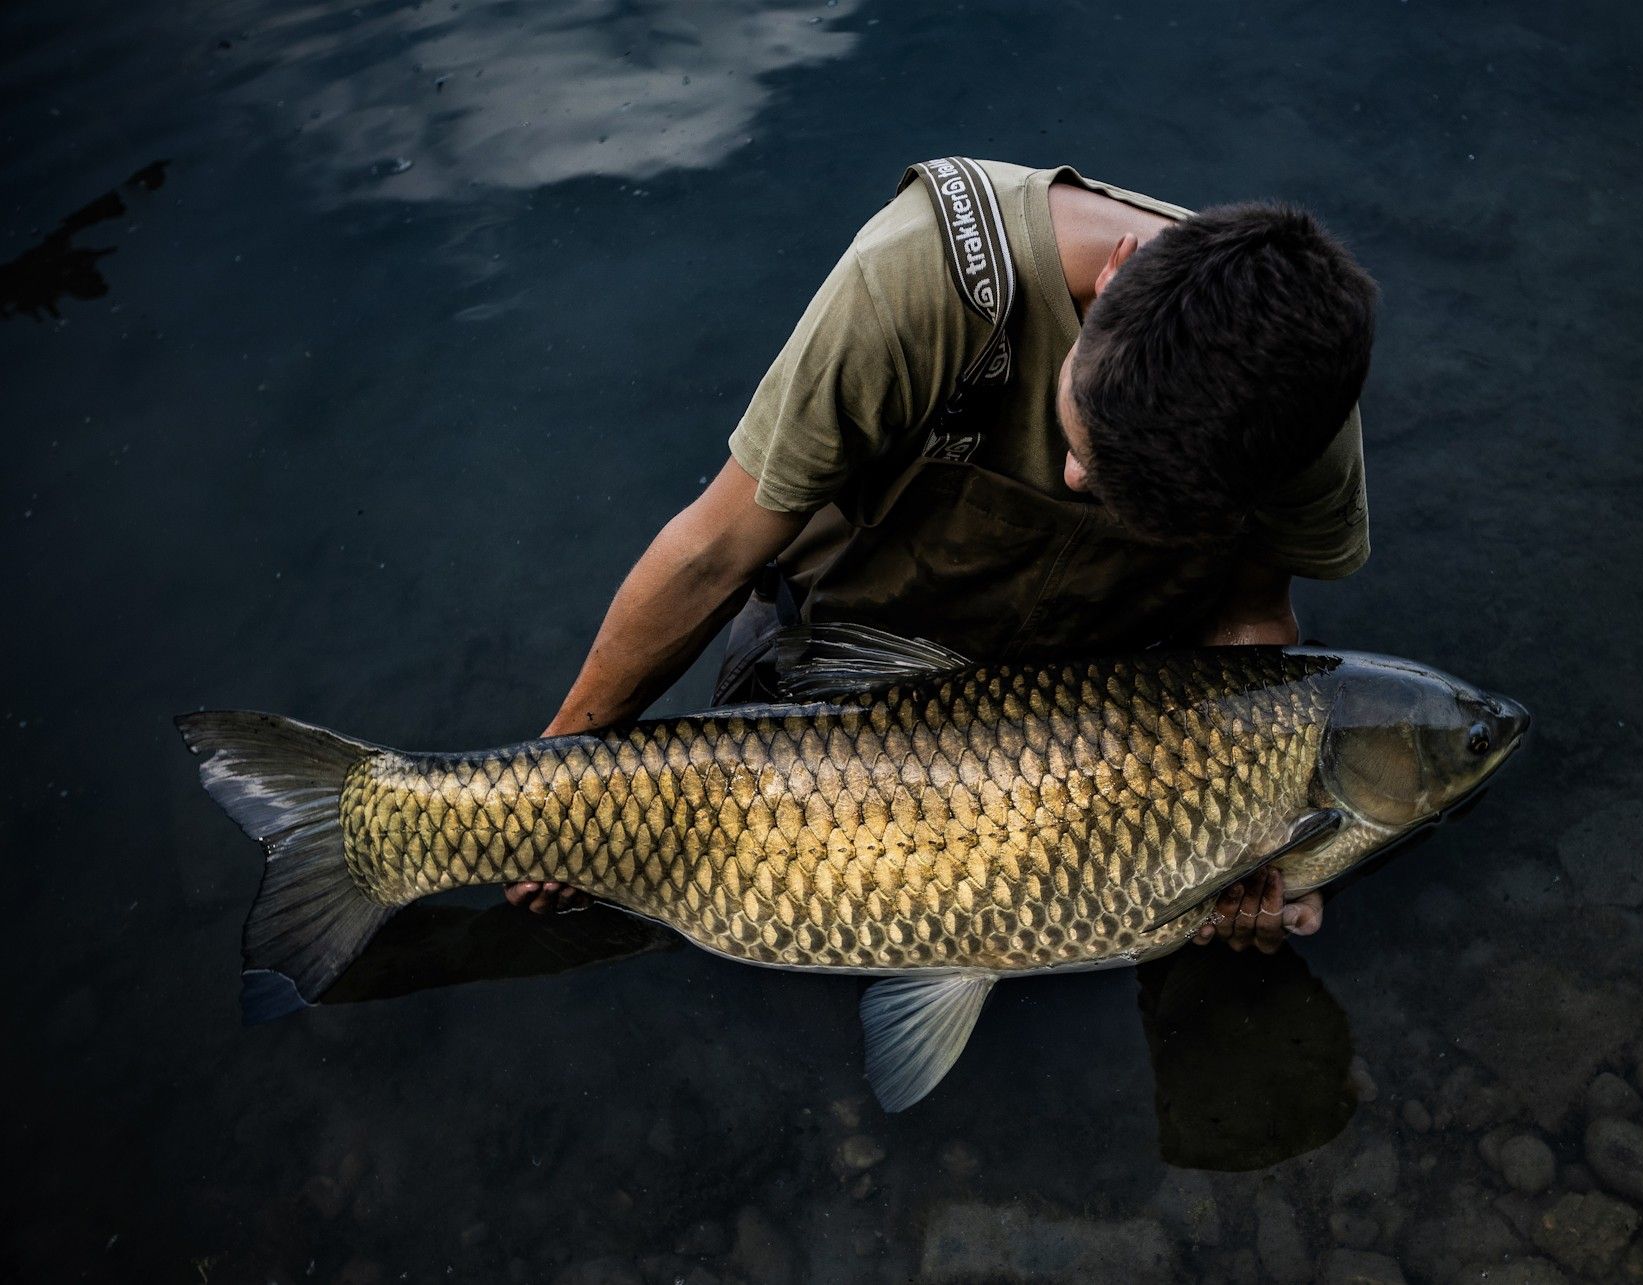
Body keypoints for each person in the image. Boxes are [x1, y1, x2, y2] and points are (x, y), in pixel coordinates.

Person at [507, 157, 1376, 954]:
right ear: (1115, 274)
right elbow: (713, 553)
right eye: (1077, 437)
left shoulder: (1298, 416)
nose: (1070, 473)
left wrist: (1256, 837)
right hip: (838, 655)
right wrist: (549, 775)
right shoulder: (915, 282)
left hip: (1089, 726)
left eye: (1113, 491)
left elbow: (1250, 617)